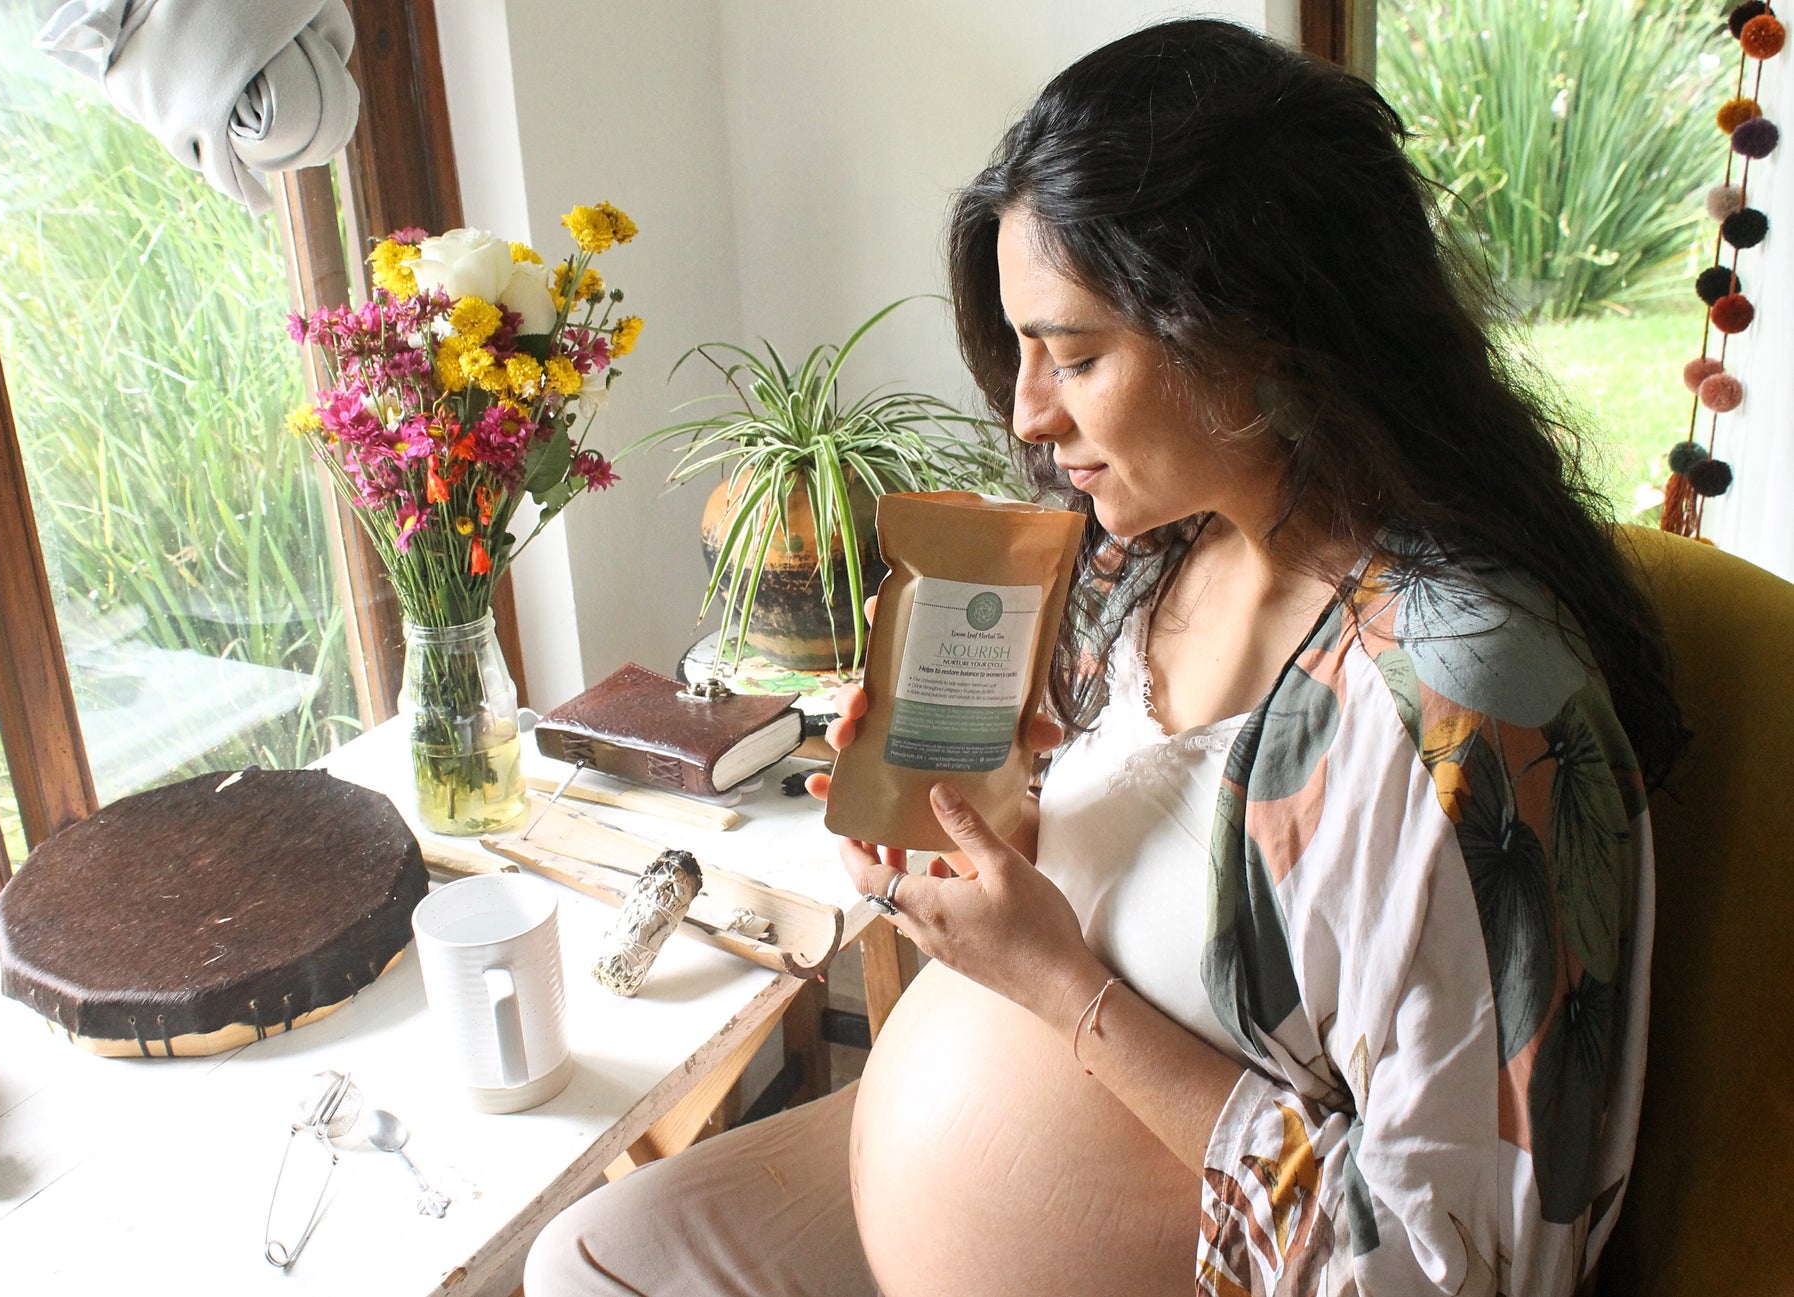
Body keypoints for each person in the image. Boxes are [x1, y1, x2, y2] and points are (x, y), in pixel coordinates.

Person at [525, 18, 1683, 1296]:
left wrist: (1066, 991)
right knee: (587, 1254)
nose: (1027, 411)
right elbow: (1093, 897)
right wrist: (962, 839)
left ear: (1260, 328)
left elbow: (1445, 1270)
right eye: (1022, 348)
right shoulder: (1151, 558)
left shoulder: (1461, 713)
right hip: (937, 1199)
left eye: (1073, 354)